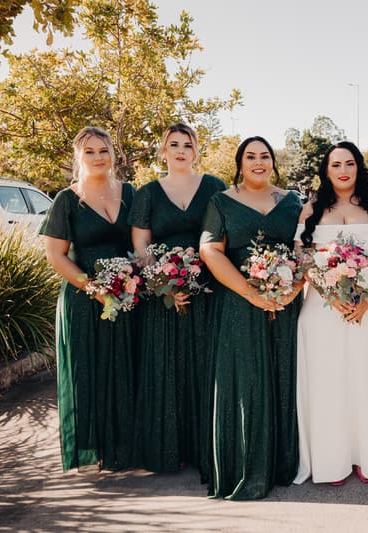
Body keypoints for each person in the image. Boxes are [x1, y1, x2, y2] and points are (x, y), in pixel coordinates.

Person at [293, 141, 368, 485]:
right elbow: (302, 254)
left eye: (349, 164)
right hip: (322, 308)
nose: (343, 170)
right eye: (336, 165)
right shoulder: (312, 207)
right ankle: (331, 459)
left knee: (367, 379)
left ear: (359, 167)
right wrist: (330, 292)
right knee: (327, 381)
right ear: (326, 171)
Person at [200, 136, 303, 499]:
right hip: (238, 305)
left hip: (287, 304)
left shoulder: (293, 202)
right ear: (240, 163)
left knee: (283, 375)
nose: (258, 162)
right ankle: (244, 465)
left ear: (273, 162)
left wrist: (292, 289)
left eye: (265, 156)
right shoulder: (222, 201)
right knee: (244, 380)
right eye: (250, 156)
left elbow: (306, 248)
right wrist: (251, 293)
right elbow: (210, 250)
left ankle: (283, 462)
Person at [129, 124, 226, 476]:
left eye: (188, 144)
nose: (181, 150)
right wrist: (164, 282)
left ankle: (204, 447)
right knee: (167, 365)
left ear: (196, 150)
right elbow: (140, 244)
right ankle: (168, 448)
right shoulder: (148, 193)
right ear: (163, 151)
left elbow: (226, 231)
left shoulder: (214, 186)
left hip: (209, 289)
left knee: (204, 362)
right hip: (164, 294)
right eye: (174, 144)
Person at [41, 126, 136, 471]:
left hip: (127, 295)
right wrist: (96, 290)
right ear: (79, 157)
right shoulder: (67, 200)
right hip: (84, 300)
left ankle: (124, 448)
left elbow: (140, 242)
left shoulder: (131, 193)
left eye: (104, 150)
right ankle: (92, 448)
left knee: (124, 369)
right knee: (89, 370)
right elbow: (56, 256)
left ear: (114, 154)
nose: (98, 157)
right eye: (90, 151)